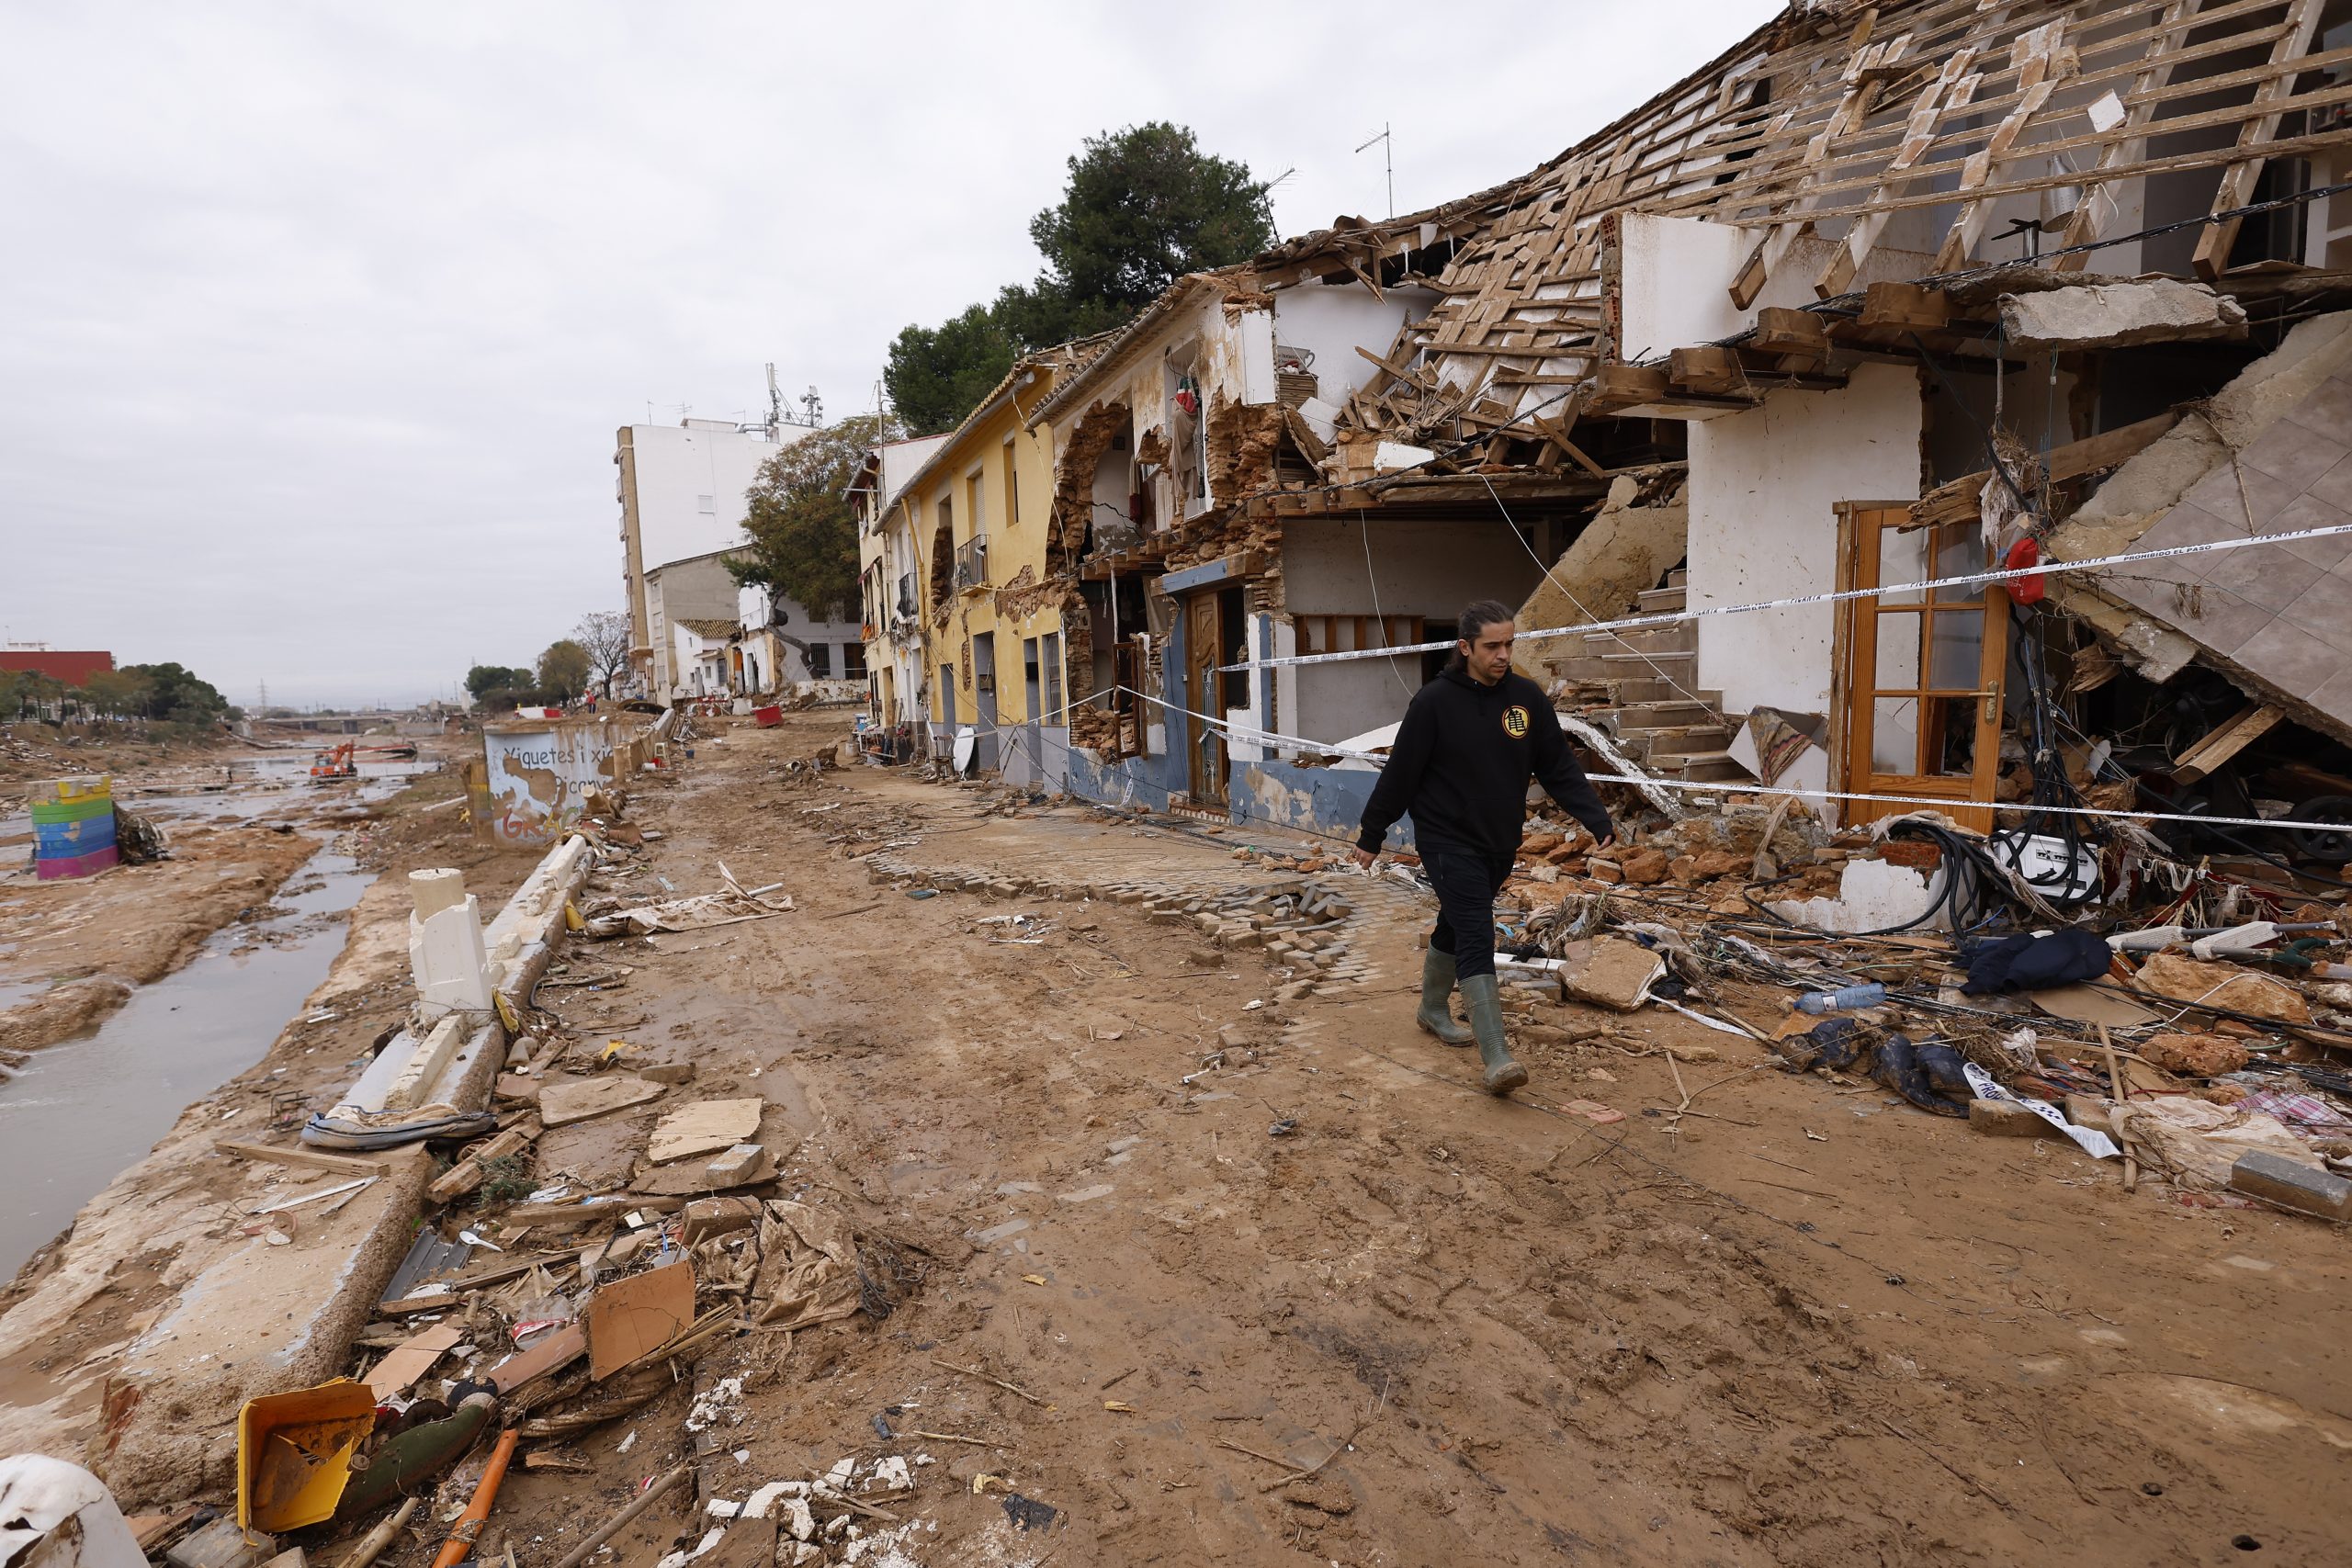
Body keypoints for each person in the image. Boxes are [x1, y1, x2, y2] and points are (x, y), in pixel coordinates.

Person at [1353, 600, 1615, 1095]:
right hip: (1446, 838)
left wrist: (1594, 815)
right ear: (1465, 648)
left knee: (1456, 919)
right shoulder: (1433, 702)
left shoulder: (1527, 699)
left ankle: (1431, 1009)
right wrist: (1373, 833)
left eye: (1509, 644)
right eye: (1492, 646)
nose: (1503, 654)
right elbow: (1401, 775)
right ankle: (1497, 1055)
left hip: (1499, 838)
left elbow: (1557, 766)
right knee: (1476, 929)